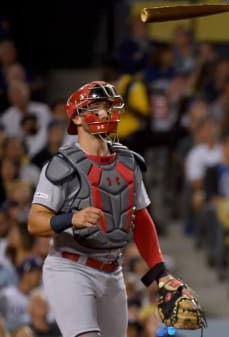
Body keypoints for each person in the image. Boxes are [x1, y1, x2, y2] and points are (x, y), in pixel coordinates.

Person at [26, 81, 197, 337]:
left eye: (107, 107)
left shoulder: (129, 161)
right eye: (95, 108)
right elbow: (35, 222)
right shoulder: (61, 165)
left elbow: (140, 218)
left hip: (112, 270)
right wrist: (71, 218)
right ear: (77, 117)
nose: (104, 114)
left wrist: (159, 273)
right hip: (70, 267)